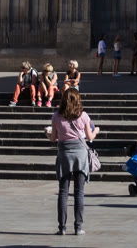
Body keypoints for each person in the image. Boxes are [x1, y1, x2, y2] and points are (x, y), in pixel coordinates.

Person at [48, 87, 97, 236]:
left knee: (63, 193)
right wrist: (97, 131)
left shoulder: (56, 116)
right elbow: (90, 137)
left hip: (64, 154)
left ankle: (62, 227)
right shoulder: (83, 115)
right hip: (80, 155)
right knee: (79, 193)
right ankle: (78, 227)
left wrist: (46, 132)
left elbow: (53, 138)